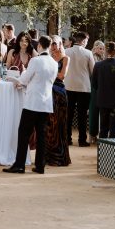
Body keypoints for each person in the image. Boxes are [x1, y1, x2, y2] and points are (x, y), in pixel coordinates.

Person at [3, 35, 58, 175]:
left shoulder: (36, 60)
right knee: (41, 135)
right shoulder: (54, 63)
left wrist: (18, 79)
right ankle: (40, 166)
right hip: (46, 103)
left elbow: (25, 79)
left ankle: (19, 165)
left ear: (39, 45)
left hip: (32, 102)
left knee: (23, 133)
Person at [91, 41, 115, 138]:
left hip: (102, 100)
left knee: (103, 128)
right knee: (114, 129)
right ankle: (112, 147)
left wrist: (102, 91)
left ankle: (102, 147)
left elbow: (94, 84)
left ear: (106, 51)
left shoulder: (98, 65)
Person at [64, 31, 95, 147]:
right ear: (83, 41)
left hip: (68, 85)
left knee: (69, 114)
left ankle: (67, 138)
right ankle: (82, 140)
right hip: (83, 87)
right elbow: (93, 71)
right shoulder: (88, 53)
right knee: (82, 115)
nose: (86, 43)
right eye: (86, 41)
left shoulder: (66, 51)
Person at [45, 36, 71, 167]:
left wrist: (48, 74)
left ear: (60, 44)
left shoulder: (65, 58)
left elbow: (62, 76)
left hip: (59, 94)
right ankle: (48, 156)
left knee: (59, 124)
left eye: (55, 43)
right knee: (49, 125)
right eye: (51, 44)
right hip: (48, 93)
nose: (53, 46)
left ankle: (60, 157)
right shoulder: (48, 58)